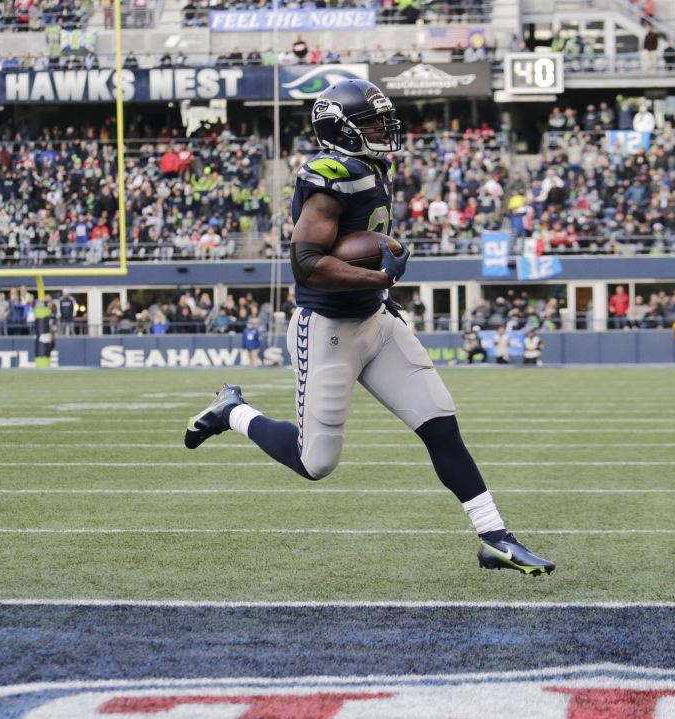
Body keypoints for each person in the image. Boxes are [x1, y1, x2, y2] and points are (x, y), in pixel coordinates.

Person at [181, 79, 554, 576]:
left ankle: (496, 538)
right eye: (373, 121)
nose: (384, 128)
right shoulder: (328, 175)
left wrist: (383, 280)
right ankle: (233, 412)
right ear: (342, 129)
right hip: (329, 328)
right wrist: (378, 272)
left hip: (376, 318)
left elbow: (361, 238)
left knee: (440, 422)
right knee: (315, 463)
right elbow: (306, 260)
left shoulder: (373, 166)